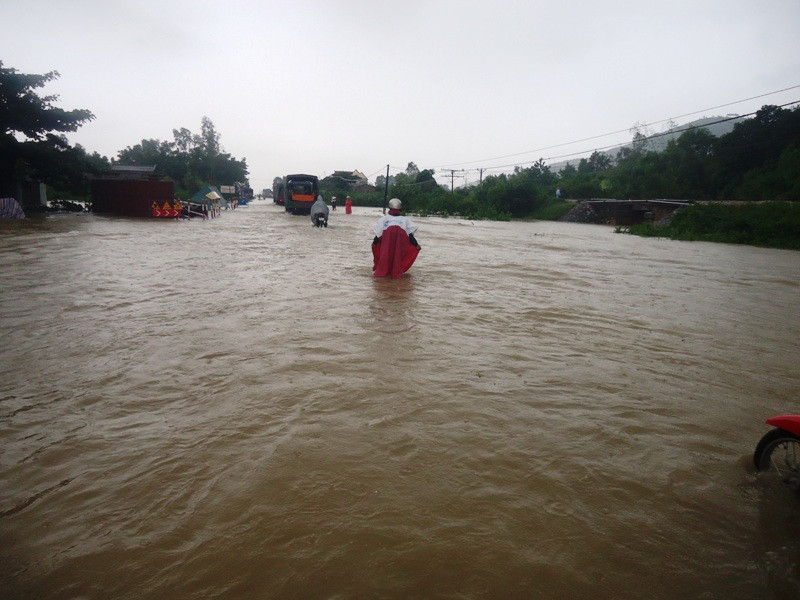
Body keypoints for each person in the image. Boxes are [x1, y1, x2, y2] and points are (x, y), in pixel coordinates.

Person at [371, 198, 421, 278]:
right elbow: (410, 236)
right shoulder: (405, 220)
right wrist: (416, 245)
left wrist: (374, 243)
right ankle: (395, 276)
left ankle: (384, 276)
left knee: (385, 257)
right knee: (397, 258)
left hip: (386, 246)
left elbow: (379, 234)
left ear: (390, 208)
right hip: (400, 246)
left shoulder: (384, 219)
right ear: (400, 209)